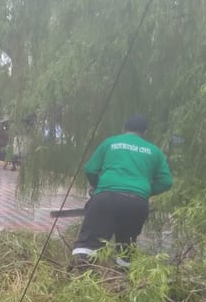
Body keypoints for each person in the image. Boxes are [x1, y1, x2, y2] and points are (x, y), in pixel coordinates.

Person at [72, 114, 173, 267]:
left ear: (123, 128)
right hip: (137, 204)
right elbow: (166, 181)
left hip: (106, 200)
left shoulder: (110, 143)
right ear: (144, 132)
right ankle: (122, 283)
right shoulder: (154, 151)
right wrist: (142, 191)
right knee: (126, 247)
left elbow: (90, 169)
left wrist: (100, 187)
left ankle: (83, 277)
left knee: (88, 245)